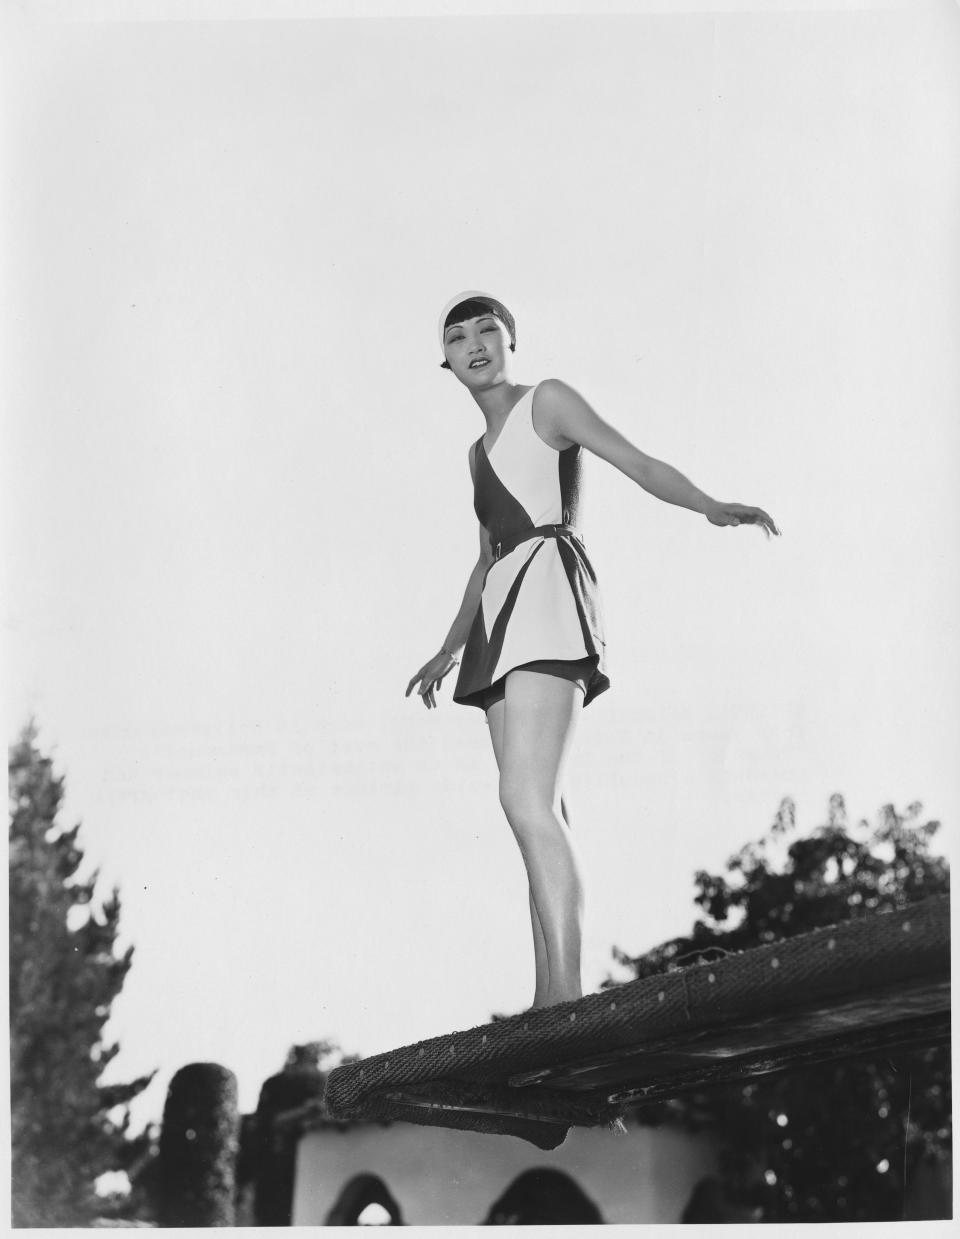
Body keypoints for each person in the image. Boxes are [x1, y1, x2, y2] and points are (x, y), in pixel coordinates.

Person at [406, 291, 779, 1011]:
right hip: (497, 620)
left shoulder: (546, 401)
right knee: (535, 810)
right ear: (445, 361)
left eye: (488, 329)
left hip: (549, 592)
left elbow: (635, 461)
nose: (474, 343)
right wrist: (447, 649)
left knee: (526, 796)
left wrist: (707, 503)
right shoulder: (475, 454)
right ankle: (548, 990)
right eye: (457, 337)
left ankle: (567, 997)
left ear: (511, 340)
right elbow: (485, 559)